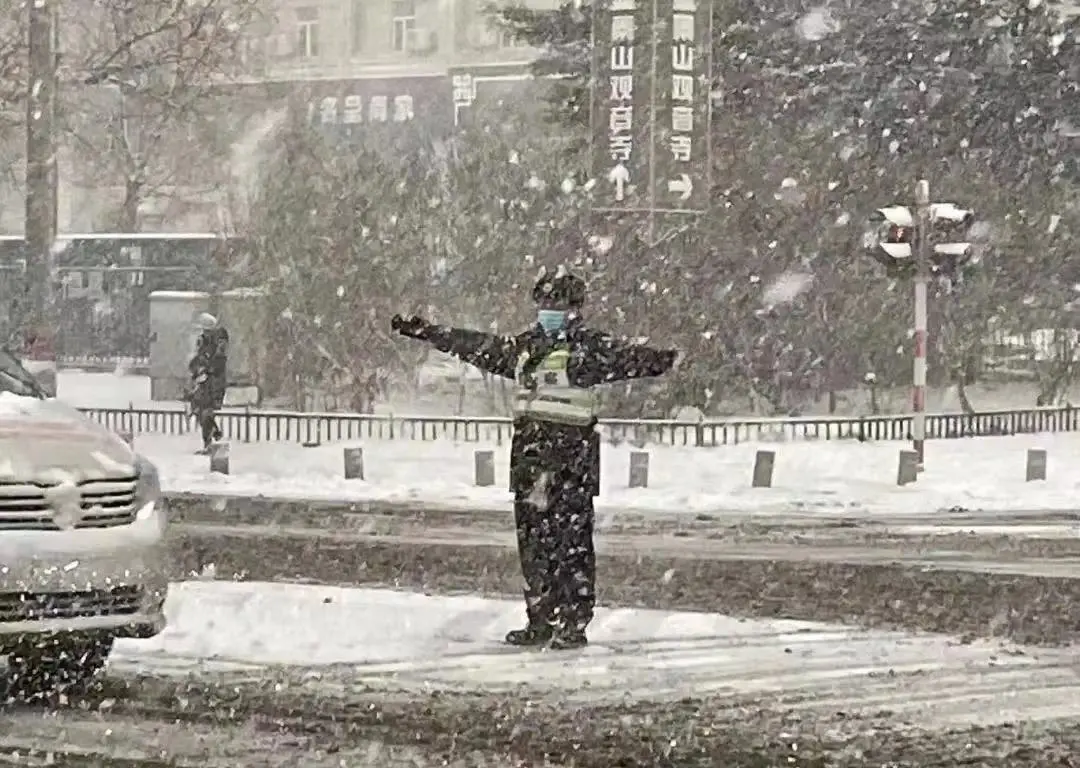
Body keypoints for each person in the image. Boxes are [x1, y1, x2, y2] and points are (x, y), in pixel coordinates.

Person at [392, 266, 678, 649]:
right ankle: (541, 619)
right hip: (529, 462)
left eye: (555, 302)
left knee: (571, 546)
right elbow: (480, 347)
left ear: (575, 307)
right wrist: (430, 333)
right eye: (543, 301)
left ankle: (573, 623)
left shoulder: (588, 348)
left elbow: (635, 359)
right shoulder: (526, 348)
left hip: (571, 463)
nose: (548, 309)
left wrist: (672, 358)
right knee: (535, 548)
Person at [188, 312, 229, 455]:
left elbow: (219, 362)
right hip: (205, 382)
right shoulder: (204, 342)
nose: (204, 333)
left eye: (206, 330)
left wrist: (207, 369)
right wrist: (196, 369)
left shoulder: (218, 342)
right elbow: (196, 359)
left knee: (207, 412)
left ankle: (210, 440)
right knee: (199, 409)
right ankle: (213, 435)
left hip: (214, 384)